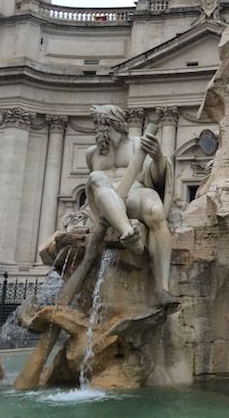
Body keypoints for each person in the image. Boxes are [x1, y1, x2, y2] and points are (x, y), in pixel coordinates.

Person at [86, 104, 176, 309]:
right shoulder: (92, 153)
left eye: (104, 125)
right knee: (96, 177)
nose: (100, 131)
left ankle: (162, 287)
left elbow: (156, 178)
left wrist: (158, 157)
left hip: (135, 193)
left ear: (117, 124)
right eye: (97, 126)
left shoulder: (138, 145)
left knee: (156, 212)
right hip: (106, 201)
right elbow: (93, 189)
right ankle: (129, 234)